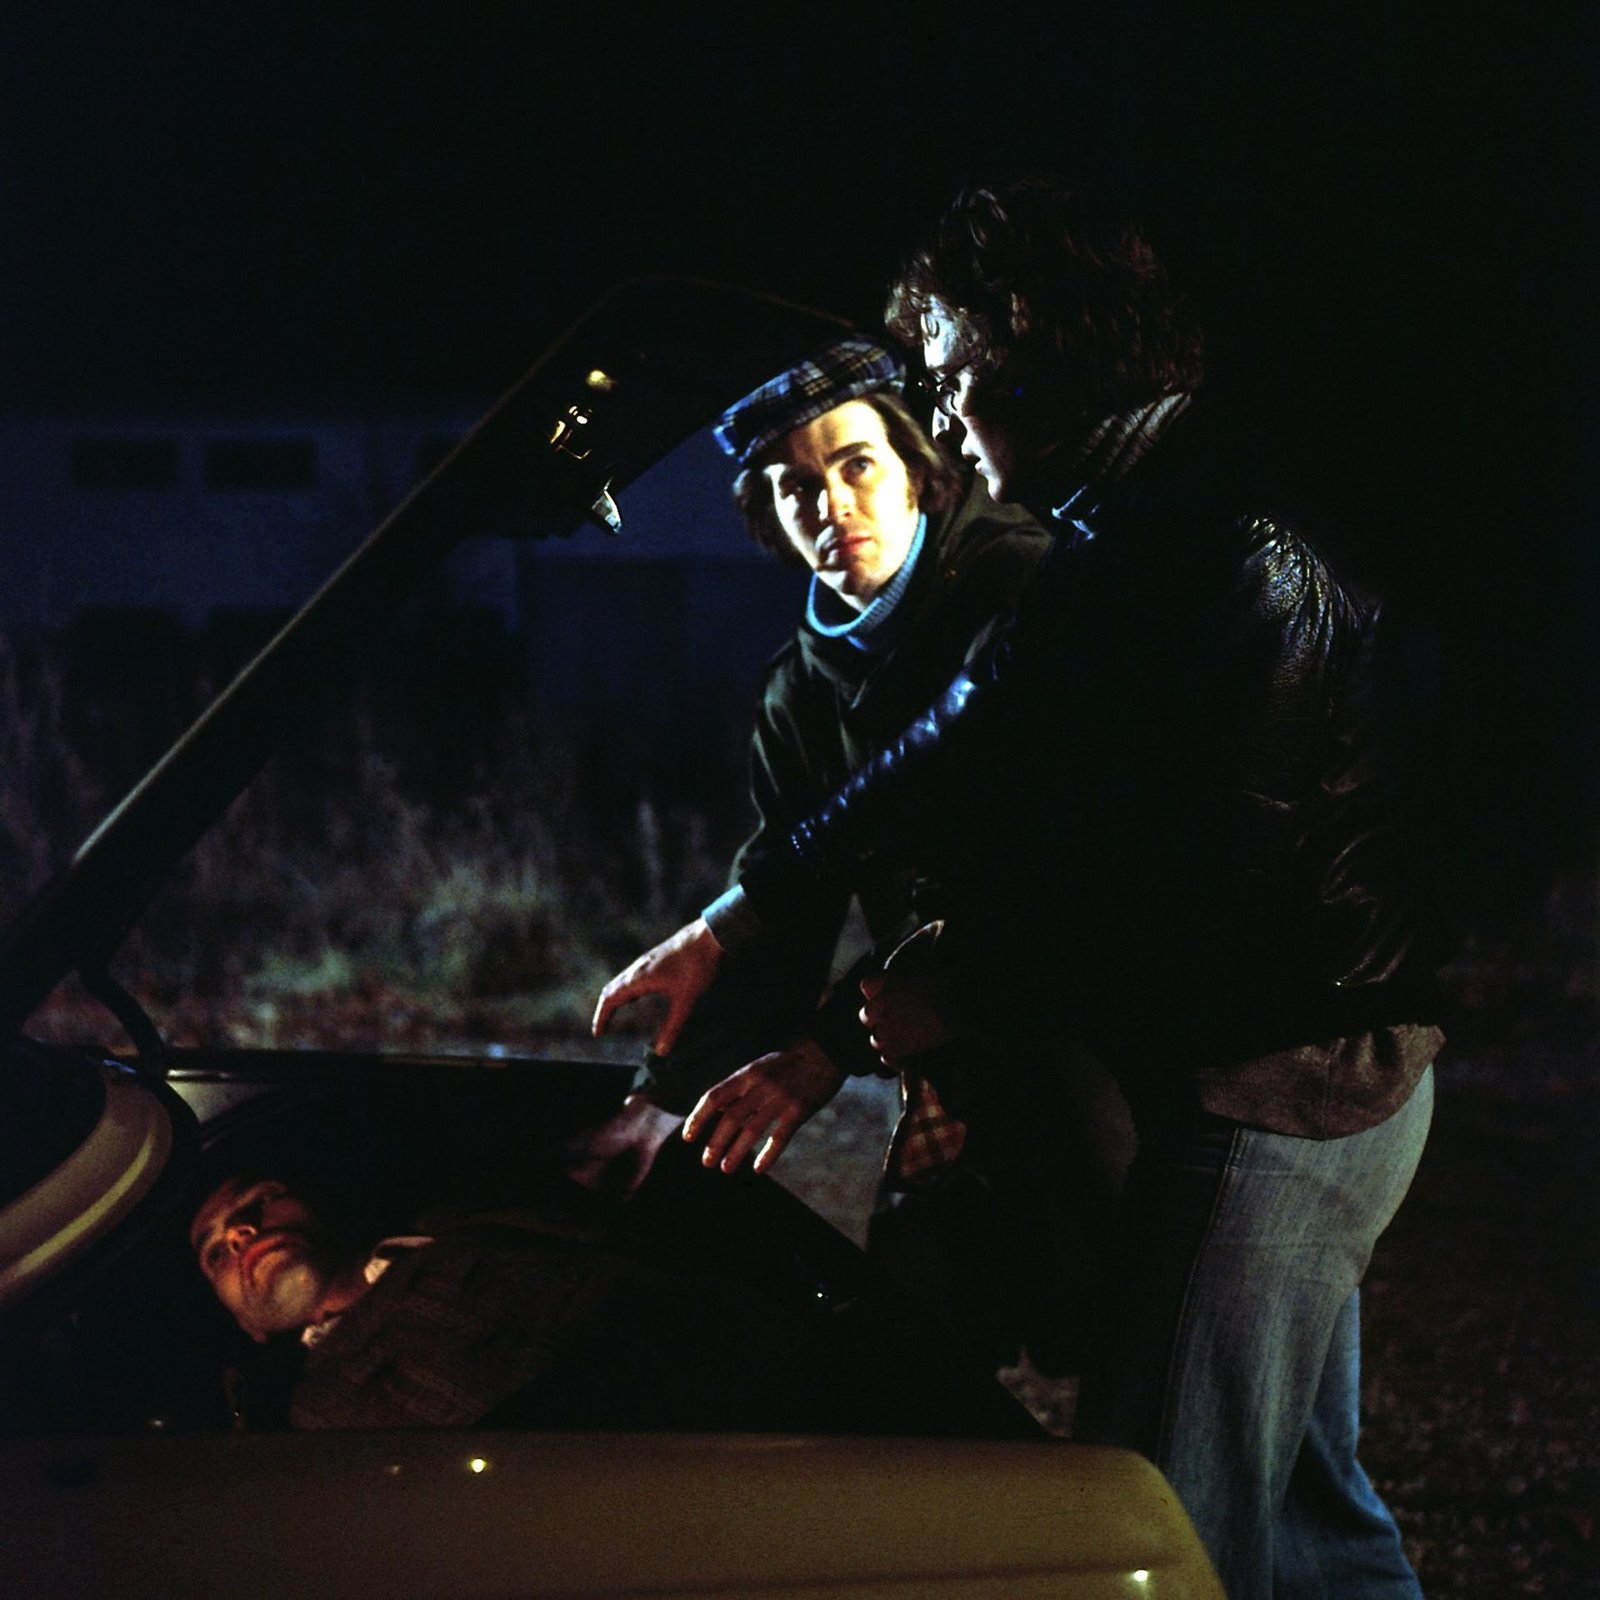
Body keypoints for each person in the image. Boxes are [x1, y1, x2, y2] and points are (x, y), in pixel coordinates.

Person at [593, 179, 1442, 1599]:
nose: (939, 410)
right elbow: (957, 741)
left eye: (937, 380)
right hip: (1218, 1058)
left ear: (1017, 358)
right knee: (1304, 1514)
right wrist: (738, 917)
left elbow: (1154, 898)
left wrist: (896, 1017)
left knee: (1154, 1523)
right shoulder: (1123, 531)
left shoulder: (1215, 554)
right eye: (794, 486)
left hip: (1278, 1078)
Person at [570, 339, 1106, 1365]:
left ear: (919, 467)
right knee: (923, 1338)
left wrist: (827, 1050)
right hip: (939, 1038)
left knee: (1172, 1353)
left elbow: (1049, 871)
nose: (830, 503)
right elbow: (789, 907)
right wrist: (662, 1099)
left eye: (856, 463)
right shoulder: (801, 691)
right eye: (793, 486)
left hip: (1095, 1023)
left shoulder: (1027, 593)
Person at [188, 1152, 1042, 1437]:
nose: (244, 1234)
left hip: (804, 1371)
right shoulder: (321, 1412)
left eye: (259, 1203)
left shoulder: (463, 1218)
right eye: (217, 1252)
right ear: (244, 1329)